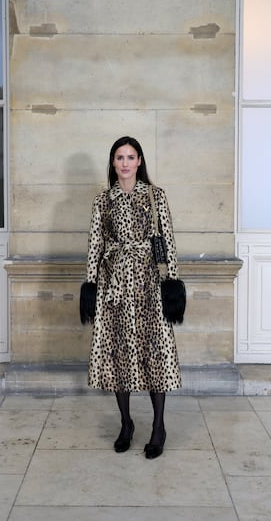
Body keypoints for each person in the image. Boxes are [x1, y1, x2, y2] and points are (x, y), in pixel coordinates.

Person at [80, 136, 185, 459]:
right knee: (118, 355)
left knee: (156, 354)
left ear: (140, 161)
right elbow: (95, 244)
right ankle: (126, 424)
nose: (125, 163)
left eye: (130, 157)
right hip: (115, 288)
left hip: (149, 285)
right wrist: (91, 284)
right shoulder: (103, 201)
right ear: (113, 163)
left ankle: (158, 427)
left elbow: (166, 240)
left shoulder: (155, 196)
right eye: (119, 157)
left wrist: (172, 282)